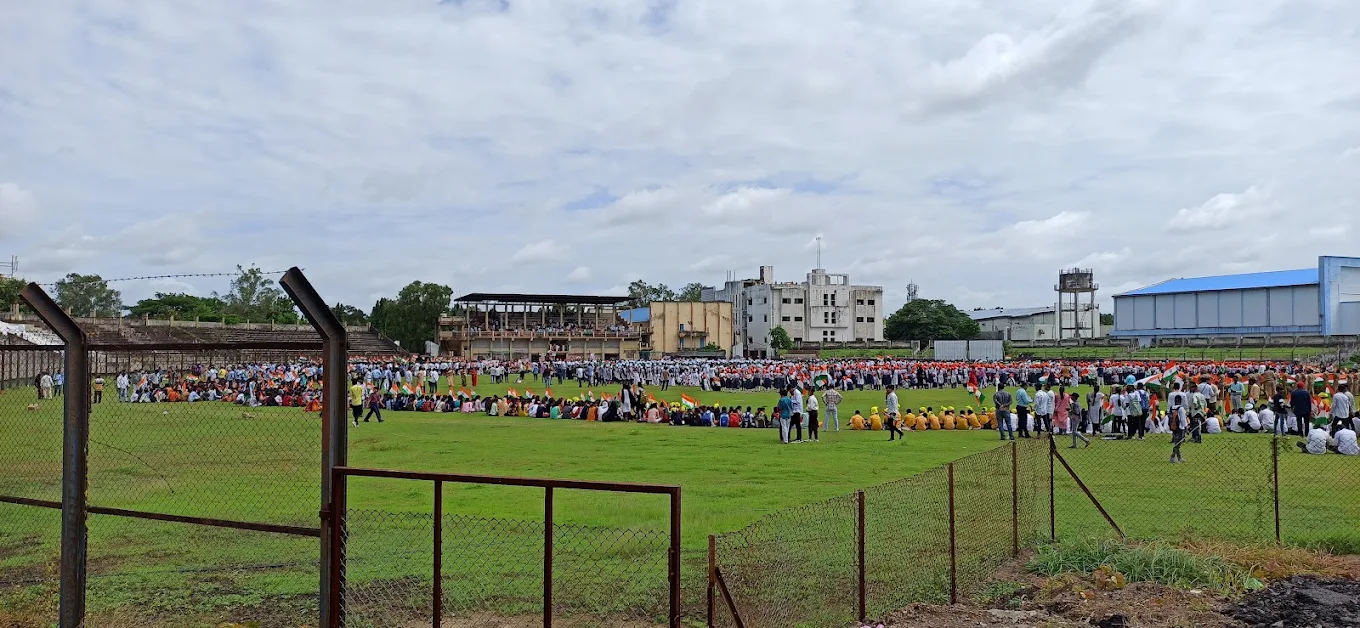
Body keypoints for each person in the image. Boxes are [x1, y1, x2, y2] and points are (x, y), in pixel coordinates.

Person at [1169, 382, 1188, 463]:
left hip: (1173, 425)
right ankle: (1173, 457)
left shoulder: (1171, 407)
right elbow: (1183, 419)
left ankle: (1179, 457)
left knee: (1176, 441)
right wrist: (1186, 427)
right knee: (1179, 442)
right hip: (1180, 426)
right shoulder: (1181, 408)